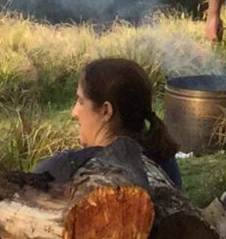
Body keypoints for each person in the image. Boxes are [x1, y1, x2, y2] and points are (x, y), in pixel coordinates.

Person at [28, 56, 186, 189]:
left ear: (106, 111)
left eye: (81, 101)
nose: (73, 113)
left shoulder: (61, 170)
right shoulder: (164, 160)